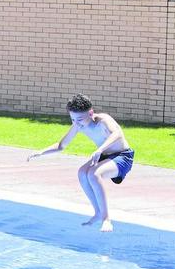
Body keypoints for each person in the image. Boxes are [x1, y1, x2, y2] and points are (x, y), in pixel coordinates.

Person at [27, 93, 134, 232]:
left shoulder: (103, 120)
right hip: (104, 155)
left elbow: (117, 134)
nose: (76, 123)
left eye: (79, 119)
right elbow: (61, 145)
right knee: (82, 172)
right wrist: (41, 152)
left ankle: (106, 219)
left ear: (90, 113)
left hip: (123, 156)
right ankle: (97, 213)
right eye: (72, 119)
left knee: (94, 174)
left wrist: (100, 150)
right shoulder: (78, 124)